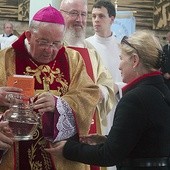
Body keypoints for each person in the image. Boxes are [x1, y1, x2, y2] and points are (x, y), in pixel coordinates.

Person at [45, 30, 170, 170]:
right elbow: (151, 140)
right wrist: (108, 139)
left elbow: (108, 156)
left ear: (134, 60)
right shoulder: (163, 91)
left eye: (121, 58)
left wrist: (68, 148)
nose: (119, 66)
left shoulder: (135, 99)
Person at [0, 5, 100, 170]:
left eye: (56, 43)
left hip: (61, 158)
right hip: (14, 152)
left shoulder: (73, 59)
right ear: (29, 35)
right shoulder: (5, 58)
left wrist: (59, 104)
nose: (50, 50)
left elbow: (89, 94)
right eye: (43, 42)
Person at [60, 0, 114, 169]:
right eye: (74, 13)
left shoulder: (90, 49)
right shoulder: (54, 47)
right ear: (61, 14)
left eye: (83, 14)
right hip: (63, 126)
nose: (80, 20)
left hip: (91, 123)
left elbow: (106, 80)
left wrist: (102, 92)